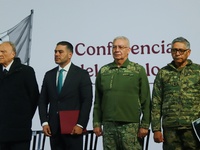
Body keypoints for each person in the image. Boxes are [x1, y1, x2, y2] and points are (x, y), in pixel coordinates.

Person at [93, 36, 151, 150]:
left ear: (128, 50)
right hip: (109, 125)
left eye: (121, 47)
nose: (116, 50)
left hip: (131, 126)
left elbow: (146, 100)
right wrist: (96, 123)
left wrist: (145, 125)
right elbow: (98, 100)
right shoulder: (104, 71)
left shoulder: (138, 70)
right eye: (114, 47)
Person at [38, 41, 93, 150]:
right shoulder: (49, 75)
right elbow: (42, 101)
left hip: (73, 128)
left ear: (70, 55)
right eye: (55, 52)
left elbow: (87, 101)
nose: (56, 54)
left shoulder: (81, 74)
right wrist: (44, 122)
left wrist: (81, 124)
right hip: (53, 129)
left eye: (60, 52)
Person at [151, 37, 200, 150]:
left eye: (181, 50)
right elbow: (156, 102)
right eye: (174, 50)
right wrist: (156, 129)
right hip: (170, 129)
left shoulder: (198, 71)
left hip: (193, 129)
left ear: (188, 52)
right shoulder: (163, 73)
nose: (177, 53)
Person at [0, 41, 39, 150]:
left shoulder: (26, 72)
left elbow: (34, 97)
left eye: (3, 51)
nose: (0, 54)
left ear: (13, 54)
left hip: (19, 133)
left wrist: (23, 117)